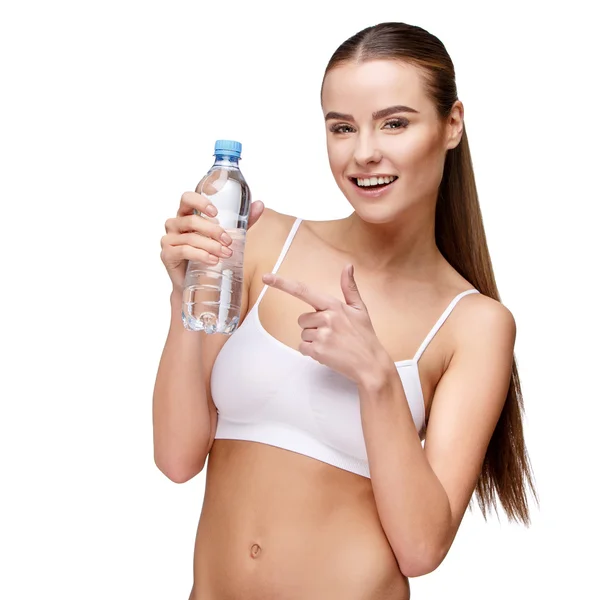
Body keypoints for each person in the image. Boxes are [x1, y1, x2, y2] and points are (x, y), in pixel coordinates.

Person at [153, 21, 537, 600]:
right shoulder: (260, 240)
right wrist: (186, 299)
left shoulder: (473, 324)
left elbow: (421, 548)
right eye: (342, 127)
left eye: (395, 123)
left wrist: (377, 377)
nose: (364, 153)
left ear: (451, 124)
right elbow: (178, 457)